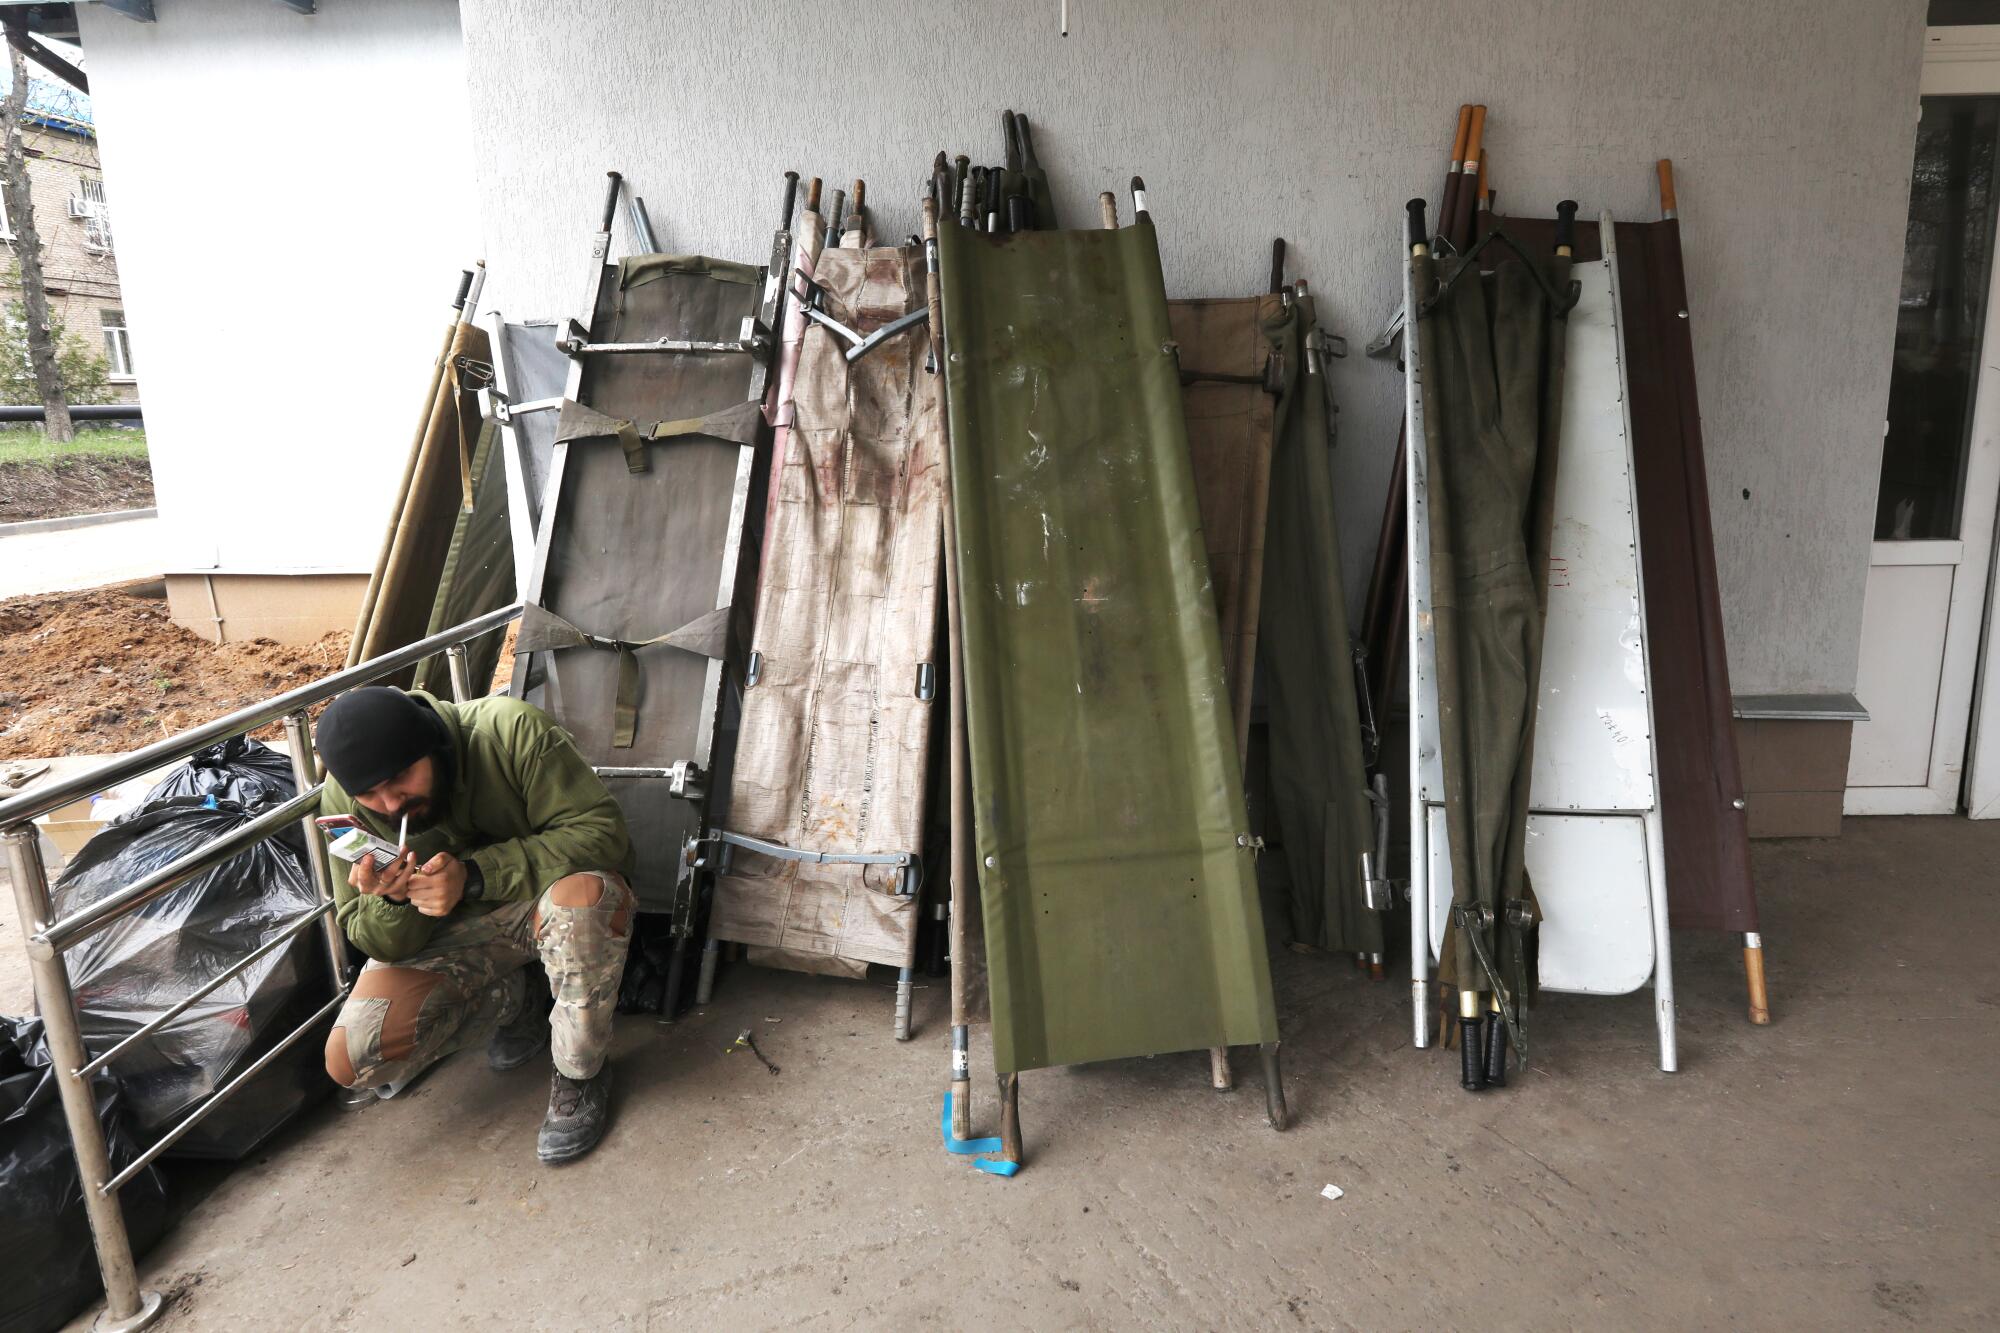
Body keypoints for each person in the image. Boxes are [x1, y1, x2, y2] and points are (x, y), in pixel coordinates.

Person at [314, 685, 635, 1164]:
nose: (389, 804)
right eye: (369, 793)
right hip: (453, 932)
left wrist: (476, 875)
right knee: (353, 1057)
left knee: (585, 901)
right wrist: (394, 903)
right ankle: (519, 1000)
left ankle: (580, 1073)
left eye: (401, 777)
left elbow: (604, 834)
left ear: (435, 746)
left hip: (546, 904)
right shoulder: (346, 802)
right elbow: (368, 935)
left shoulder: (512, 732)